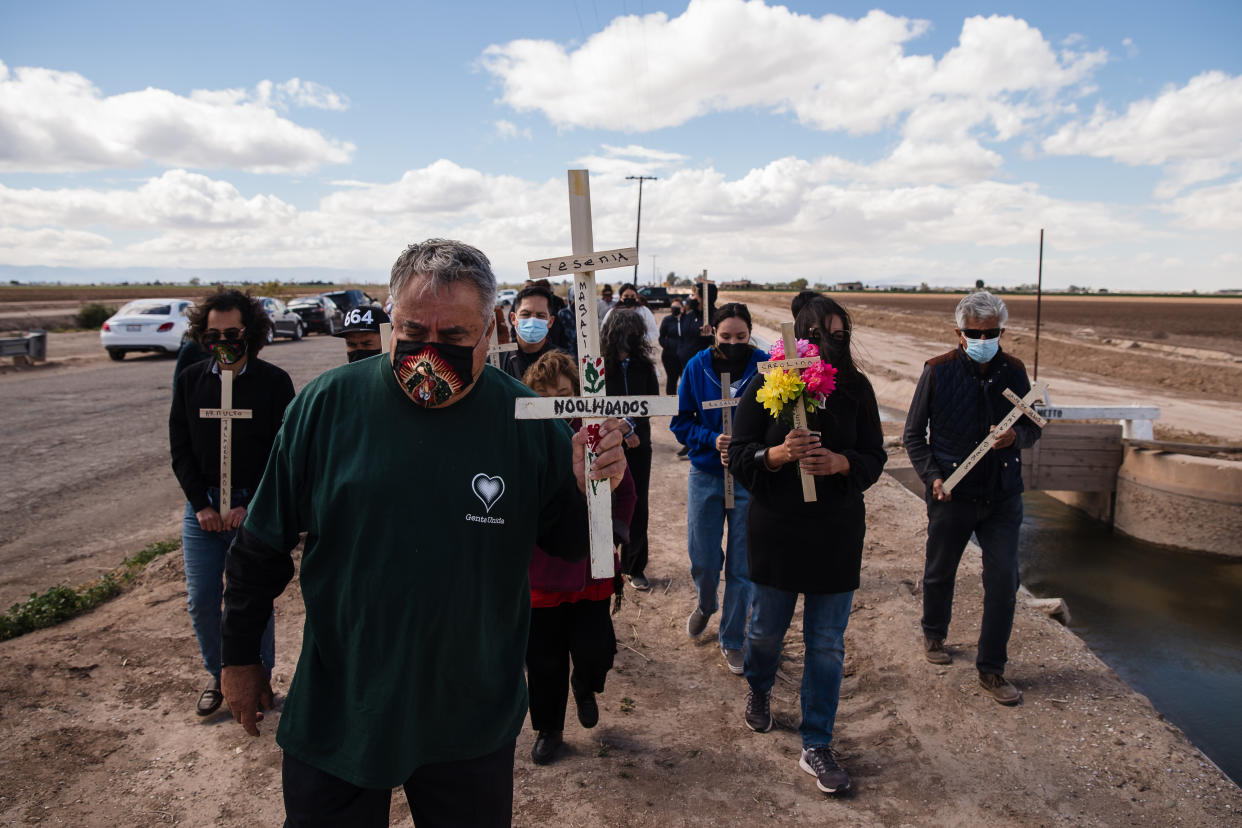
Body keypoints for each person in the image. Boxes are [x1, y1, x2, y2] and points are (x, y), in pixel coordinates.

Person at [218, 239, 627, 827]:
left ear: (492, 329)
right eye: (413, 331)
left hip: (468, 704)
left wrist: (593, 489)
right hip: (344, 696)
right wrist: (238, 658)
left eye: (455, 338)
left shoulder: (528, 420)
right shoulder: (325, 407)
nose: (431, 353)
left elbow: (569, 546)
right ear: (390, 320)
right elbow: (260, 546)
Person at [728, 295, 886, 796]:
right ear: (798, 336)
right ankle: (759, 686)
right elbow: (738, 454)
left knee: (825, 644)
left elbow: (874, 455)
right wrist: (775, 455)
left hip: (835, 534)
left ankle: (816, 742)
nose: (828, 344)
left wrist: (841, 464)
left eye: (839, 336)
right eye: (818, 335)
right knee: (765, 631)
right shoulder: (766, 380)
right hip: (776, 529)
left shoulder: (857, 388)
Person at [902, 290, 1042, 706]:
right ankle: (934, 633)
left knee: (1003, 581)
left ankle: (992, 670)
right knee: (940, 570)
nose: (984, 338)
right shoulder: (937, 371)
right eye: (975, 332)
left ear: (1002, 330)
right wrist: (933, 478)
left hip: (1002, 495)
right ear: (959, 333)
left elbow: (1034, 426)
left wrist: (1017, 437)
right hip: (952, 493)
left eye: (992, 331)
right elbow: (913, 435)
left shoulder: (1014, 371)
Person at [169, 290, 293, 716]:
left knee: (251, 594)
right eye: (213, 333)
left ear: (250, 332)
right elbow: (180, 447)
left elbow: (282, 451)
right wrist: (201, 505)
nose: (223, 339)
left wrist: (254, 504)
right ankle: (219, 674)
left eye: (232, 332)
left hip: (252, 506)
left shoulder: (274, 383)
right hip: (202, 508)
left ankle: (258, 676)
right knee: (203, 597)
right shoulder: (190, 381)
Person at [521, 351, 636, 765]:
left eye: (566, 395)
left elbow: (625, 492)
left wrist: (614, 534)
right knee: (543, 660)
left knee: (595, 649)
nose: (557, 404)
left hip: (592, 569)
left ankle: (586, 685)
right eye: (546, 396)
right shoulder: (524, 440)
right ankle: (548, 728)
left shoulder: (595, 437)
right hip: (540, 574)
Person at [670, 302, 768, 674]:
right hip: (707, 474)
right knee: (704, 557)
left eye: (741, 337)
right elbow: (681, 423)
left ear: (750, 333)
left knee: (743, 566)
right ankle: (706, 603)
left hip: (748, 476)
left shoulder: (763, 366)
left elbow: (776, 416)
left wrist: (751, 447)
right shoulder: (697, 367)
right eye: (726, 337)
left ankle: (732, 638)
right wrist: (711, 439)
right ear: (714, 333)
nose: (733, 343)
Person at [601, 309, 659, 591]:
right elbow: (593, 406)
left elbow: (652, 402)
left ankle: (634, 566)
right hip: (605, 444)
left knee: (639, 505)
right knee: (605, 502)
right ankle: (604, 562)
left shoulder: (644, 366)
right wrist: (619, 431)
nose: (630, 337)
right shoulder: (597, 367)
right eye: (625, 331)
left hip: (639, 447)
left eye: (635, 332)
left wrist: (630, 425)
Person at [499, 284, 566, 381]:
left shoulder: (564, 362)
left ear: (550, 322)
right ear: (513, 318)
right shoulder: (497, 360)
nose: (533, 320)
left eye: (540, 315)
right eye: (526, 314)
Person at [603, 283, 659, 351]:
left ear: (637, 297)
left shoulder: (644, 311)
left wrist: (638, 340)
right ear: (621, 297)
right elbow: (604, 332)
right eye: (626, 296)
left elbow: (654, 332)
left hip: (641, 352)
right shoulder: (613, 312)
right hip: (619, 352)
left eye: (632, 296)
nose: (629, 298)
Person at [657, 298, 692, 395]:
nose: (674, 309)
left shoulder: (688, 319)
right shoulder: (667, 320)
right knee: (672, 379)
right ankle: (670, 405)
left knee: (686, 380)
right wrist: (667, 345)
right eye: (673, 307)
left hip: (685, 356)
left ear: (682, 307)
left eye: (677, 307)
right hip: (670, 355)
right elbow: (661, 337)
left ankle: (685, 404)